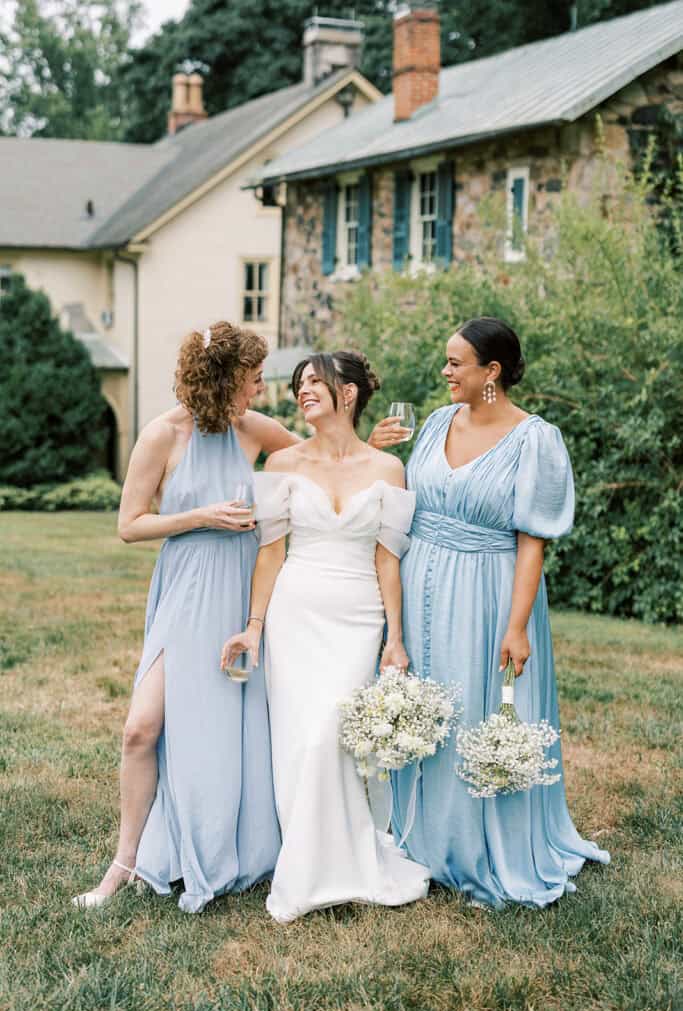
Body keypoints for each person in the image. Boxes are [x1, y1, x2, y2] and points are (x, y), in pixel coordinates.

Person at [73, 321, 300, 913]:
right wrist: (199, 516)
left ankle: (233, 844)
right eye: (251, 382)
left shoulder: (253, 430)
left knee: (226, 723)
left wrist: (363, 446)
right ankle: (123, 864)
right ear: (222, 381)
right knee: (141, 728)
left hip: (239, 592)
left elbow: (315, 458)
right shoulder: (161, 435)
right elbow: (129, 525)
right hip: (184, 590)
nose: (259, 393)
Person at [389, 316, 610, 908]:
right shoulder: (435, 423)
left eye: (455, 363)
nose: (444, 372)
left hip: (490, 589)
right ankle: (418, 837)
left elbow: (532, 540)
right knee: (423, 704)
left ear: (492, 372)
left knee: (475, 707)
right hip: (422, 579)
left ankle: (475, 843)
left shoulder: (535, 439)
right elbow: (405, 502)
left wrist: (515, 626)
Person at [223, 351, 430, 923]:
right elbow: (271, 553)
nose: (303, 391)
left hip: (359, 615)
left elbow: (388, 561)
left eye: (316, 381)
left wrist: (396, 638)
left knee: (331, 734)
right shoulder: (281, 462)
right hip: (296, 612)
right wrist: (254, 626)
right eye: (299, 384)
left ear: (351, 394)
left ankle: (347, 861)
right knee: (302, 740)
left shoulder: (389, 470)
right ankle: (308, 865)